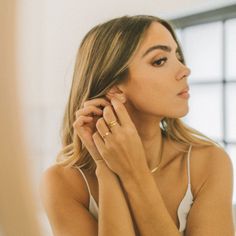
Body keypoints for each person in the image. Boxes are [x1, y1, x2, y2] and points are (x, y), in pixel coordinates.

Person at [40, 15, 235, 236]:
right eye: (160, 60)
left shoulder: (208, 163)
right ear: (115, 89)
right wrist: (106, 168)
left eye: (178, 56)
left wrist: (135, 174)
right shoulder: (63, 182)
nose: (184, 70)